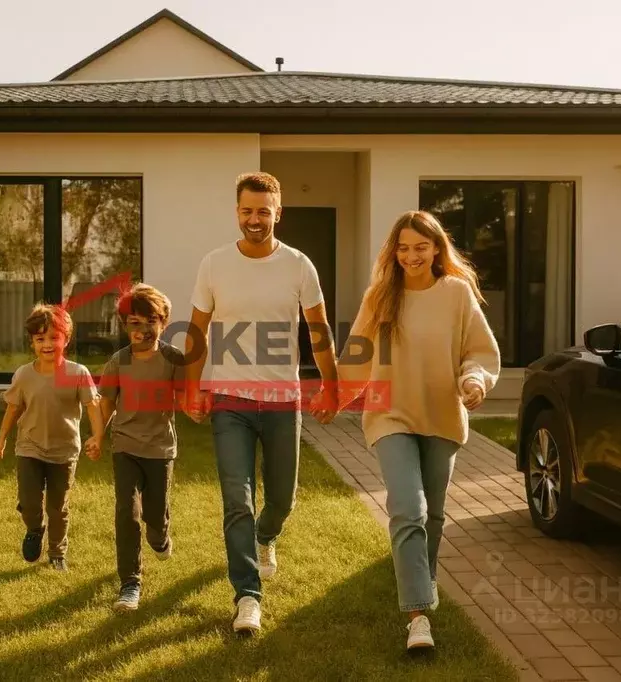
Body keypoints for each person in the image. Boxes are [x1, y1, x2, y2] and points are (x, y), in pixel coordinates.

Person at [336, 210, 500, 651]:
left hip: (442, 415)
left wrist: (475, 380)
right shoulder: (380, 296)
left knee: (433, 514)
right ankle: (418, 615)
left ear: (436, 249)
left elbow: (479, 351)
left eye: (420, 247)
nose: (411, 256)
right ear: (394, 252)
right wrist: (334, 392)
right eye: (403, 248)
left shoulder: (456, 294)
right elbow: (357, 353)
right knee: (408, 508)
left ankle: (421, 585)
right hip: (390, 414)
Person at [183, 171, 339, 635]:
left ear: (278, 213)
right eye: (247, 211)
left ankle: (267, 536)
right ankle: (247, 596)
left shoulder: (299, 265)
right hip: (230, 398)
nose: (255, 219)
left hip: (281, 400)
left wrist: (332, 386)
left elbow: (319, 332)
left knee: (282, 499)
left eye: (263, 211)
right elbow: (196, 333)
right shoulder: (213, 264)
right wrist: (193, 388)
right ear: (237, 212)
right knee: (237, 498)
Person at [0, 303, 104, 572]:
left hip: (64, 451)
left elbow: (92, 406)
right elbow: (14, 408)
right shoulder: (24, 375)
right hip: (30, 446)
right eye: (40, 339)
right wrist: (1, 439)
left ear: (66, 339)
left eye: (54, 337)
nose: (47, 344)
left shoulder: (78, 373)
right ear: (32, 343)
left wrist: (97, 437)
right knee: (29, 502)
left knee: (58, 507)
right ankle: (34, 527)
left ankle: (57, 553)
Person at [96, 283, 186, 612]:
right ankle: (130, 583)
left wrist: (197, 407)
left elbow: (187, 398)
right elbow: (106, 404)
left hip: (160, 449)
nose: (141, 329)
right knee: (127, 512)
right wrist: (97, 436)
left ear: (162, 323)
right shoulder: (118, 361)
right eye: (133, 322)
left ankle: (161, 536)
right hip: (126, 446)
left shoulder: (173, 359)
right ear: (125, 326)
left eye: (150, 320)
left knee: (154, 515)